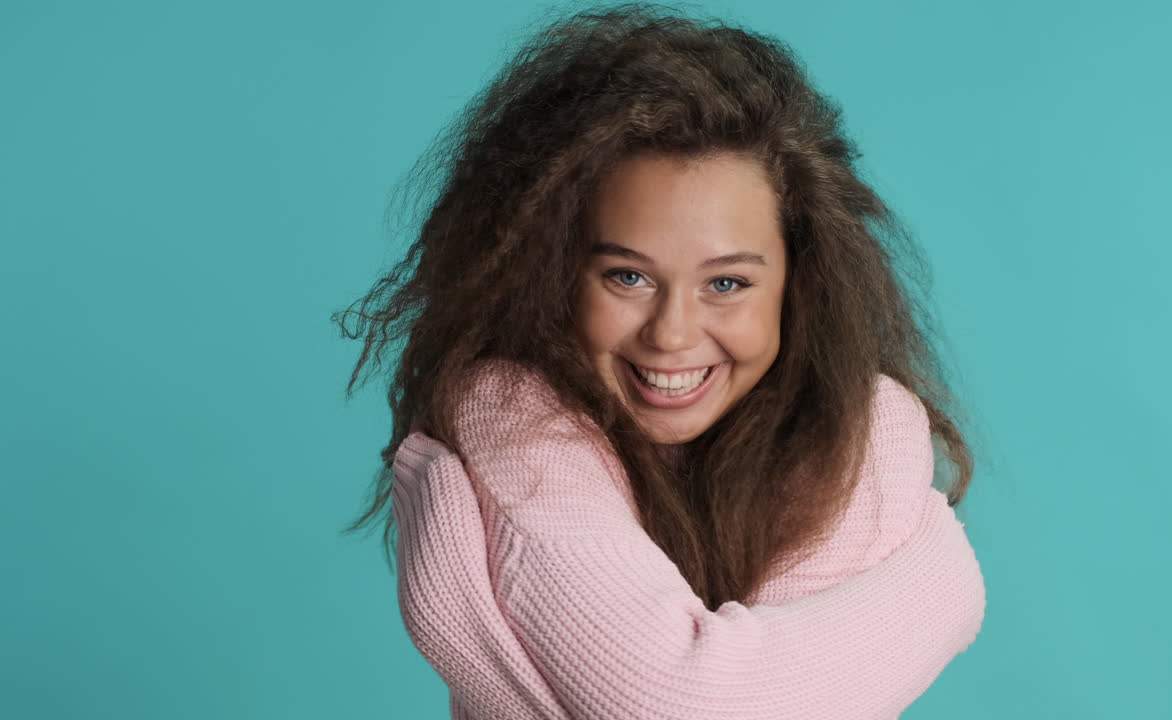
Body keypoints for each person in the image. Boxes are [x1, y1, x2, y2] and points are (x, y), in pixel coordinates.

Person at [335, 3, 986, 717]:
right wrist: (941, 590)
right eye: (628, 277)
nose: (672, 336)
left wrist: (507, 685)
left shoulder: (869, 424)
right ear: (555, 270)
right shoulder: (513, 412)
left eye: (727, 284)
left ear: (800, 285)